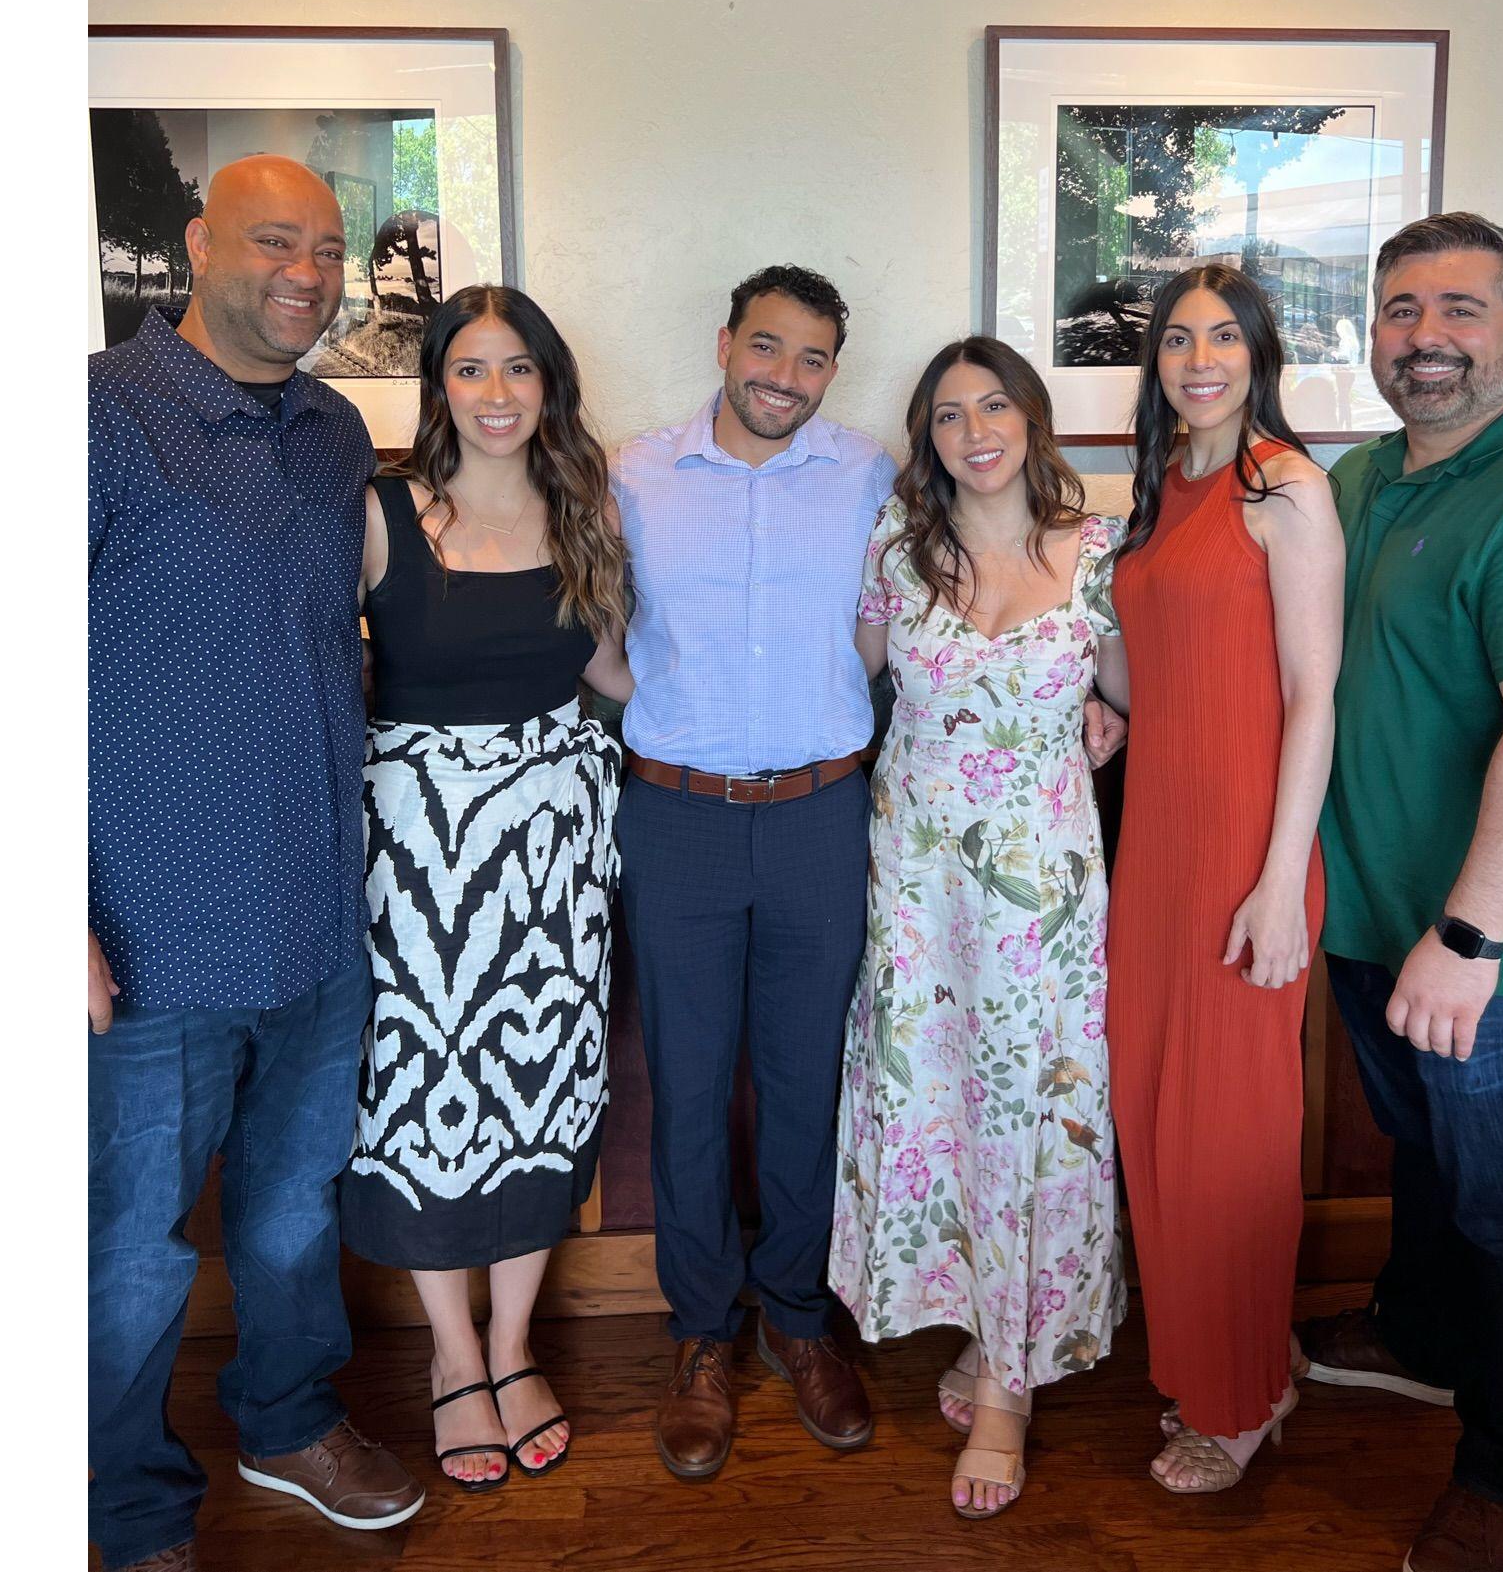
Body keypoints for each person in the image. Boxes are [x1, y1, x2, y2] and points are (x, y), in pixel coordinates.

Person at [89, 155, 423, 1572]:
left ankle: (286, 1421)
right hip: (147, 930)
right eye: (275, 241)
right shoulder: (97, 418)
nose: (308, 273)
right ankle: (128, 1511)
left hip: (315, 916)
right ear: (197, 243)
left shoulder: (334, 432)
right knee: (130, 1249)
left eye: (329, 249)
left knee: (294, 1211)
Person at [1302, 212, 1503, 1572]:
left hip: (1498, 944)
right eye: (1400, 310)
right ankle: (1424, 1337)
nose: (1424, 337)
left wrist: (1470, 933)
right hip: (1378, 918)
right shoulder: (1362, 476)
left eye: (1460, 311)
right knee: (1427, 1156)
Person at [340, 285, 634, 1491]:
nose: (498, 393)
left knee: (540, 1086)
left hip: (557, 854)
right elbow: (320, 676)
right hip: (416, 862)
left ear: (549, 383)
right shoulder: (380, 514)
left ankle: (514, 1346)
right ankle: (453, 1356)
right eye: (471, 369)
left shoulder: (586, 509)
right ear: (440, 387)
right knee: (422, 1097)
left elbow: (613, 673)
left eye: (520, 368)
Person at [830, 337, 1129, 1519]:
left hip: (1043, 900)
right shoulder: (896, 554)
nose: (974, 431)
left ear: (1031, 417)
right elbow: (843, 686)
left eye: (993, 405)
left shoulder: (1097, 551)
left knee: (1031, 1114)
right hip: (917, 891)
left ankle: (1011, 1383)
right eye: (948, 415)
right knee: (945, 1109)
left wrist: (1108, 717)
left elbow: (1148, 694)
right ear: (930, 440)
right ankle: (983, 1329)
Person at [611, 264, 897, 1481]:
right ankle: (699, 1331)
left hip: (819, 817)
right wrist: (670, 711)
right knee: (685, 1085)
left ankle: (796, 1314)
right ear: (725, 342)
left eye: (812, 357)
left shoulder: (871, 473)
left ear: (832, 371)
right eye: (767, 346)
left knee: (803, 1078)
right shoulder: (633, 474)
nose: (786, 376)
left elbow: (914, 612)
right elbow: (592, 627)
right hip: (675, 816)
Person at [1104, 263, 1344, 1495]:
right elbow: (1154, 672)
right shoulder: (1161, 492)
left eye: (1223, 338)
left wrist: (1278, 880)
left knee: (1228, 1133)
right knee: (1157, 1116)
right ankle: (1225, 1360)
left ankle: (1242, 1399)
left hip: (1248, 854)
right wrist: (1094, 695)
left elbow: (1313, 695)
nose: (1200, 361)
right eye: (1178, 340)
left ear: (1259, 355)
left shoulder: (1283, 486)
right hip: (1153, 848)